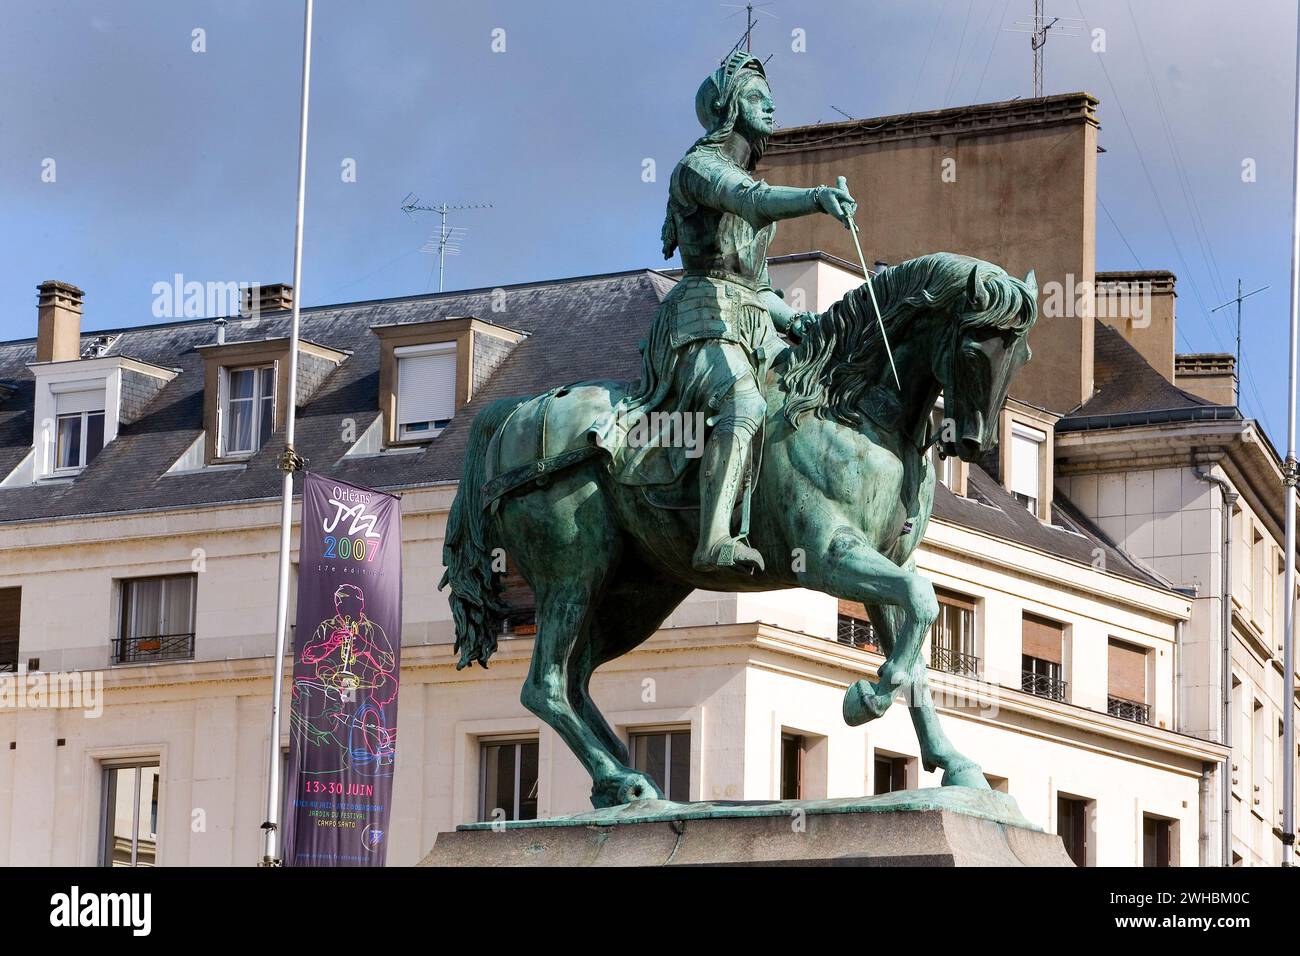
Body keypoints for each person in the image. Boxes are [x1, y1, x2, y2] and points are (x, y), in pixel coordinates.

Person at [592, 51, 858, 572]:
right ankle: (713, 537)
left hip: (752, 323)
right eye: (757, 97)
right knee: (745, 404)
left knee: (812, 398)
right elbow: (750, 199)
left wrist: (796, 321)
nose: (770, 107)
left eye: (771, 98)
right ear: (729, 106)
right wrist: (817, 198)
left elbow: (758, 287)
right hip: (700, 320)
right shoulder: (698, 169)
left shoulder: (740, 178)